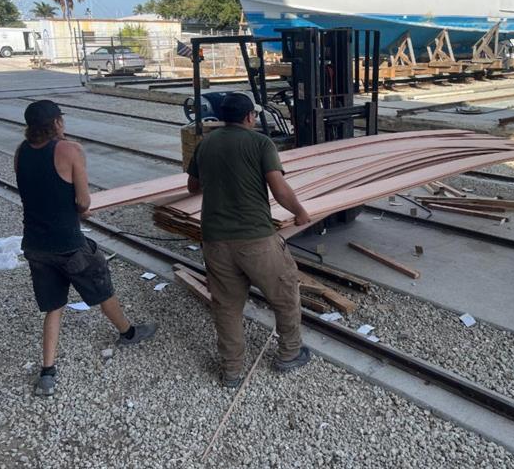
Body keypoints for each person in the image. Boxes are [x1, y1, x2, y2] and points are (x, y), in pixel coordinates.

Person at [15, 100, 157, 397]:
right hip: (68, 244)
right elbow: (83, 202)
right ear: (56, 123)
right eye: (60, 120)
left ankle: (48, 372)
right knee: (102, 288)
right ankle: (128, 333)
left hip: (35, 245)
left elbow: (37, 191)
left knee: (54, 307)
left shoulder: (20, 152)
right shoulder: (70, 150)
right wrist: (82, 211)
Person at [187, 92, 312, 387]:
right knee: (284, 294)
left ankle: (232, 371)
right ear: (248, 117)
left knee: (227, 307)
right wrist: (300, 212)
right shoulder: (260, 143)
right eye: (254, 115)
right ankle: (289, 354)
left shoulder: (205, 144)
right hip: (255, 239)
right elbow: (279, 189)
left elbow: (193, 187)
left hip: (215, 241)